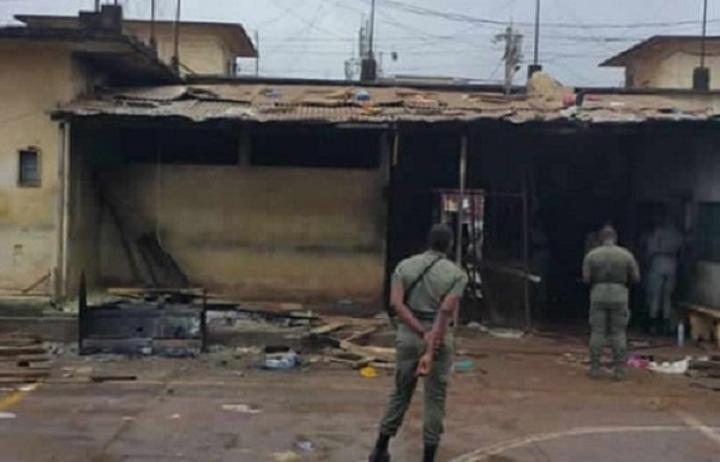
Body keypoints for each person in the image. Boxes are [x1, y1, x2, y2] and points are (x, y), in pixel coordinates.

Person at [369, 224, 468, 462]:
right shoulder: (457, 275)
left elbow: (396, 304)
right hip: (439, 335)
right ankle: (428, 457)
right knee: (435, 399)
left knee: (400, 393)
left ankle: (380, 448)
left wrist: (419, 330)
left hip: (408, 336)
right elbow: (445, 311)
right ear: (450, 245)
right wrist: (432, 340)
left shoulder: (404, 266)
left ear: (428, 241)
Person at [582, 225, 640, 381]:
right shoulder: (626, 255)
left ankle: (595, 368)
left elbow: (586, 278)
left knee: (597, 332)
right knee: (618, 332)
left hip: (598, 293)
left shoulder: (592, 255)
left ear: (601, 238)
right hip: (619, 294)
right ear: (616, 237)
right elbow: (636, 277)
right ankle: (619, 370)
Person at [644, 215, 684, 335]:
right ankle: (666, 325)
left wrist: (646, 261)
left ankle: (653, 324)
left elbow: (650, 248)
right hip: (672, 263)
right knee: (668, 296)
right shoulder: (677, 234)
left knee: (655, 295)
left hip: (658, 261)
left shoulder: (658, 232)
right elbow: (682, 251)